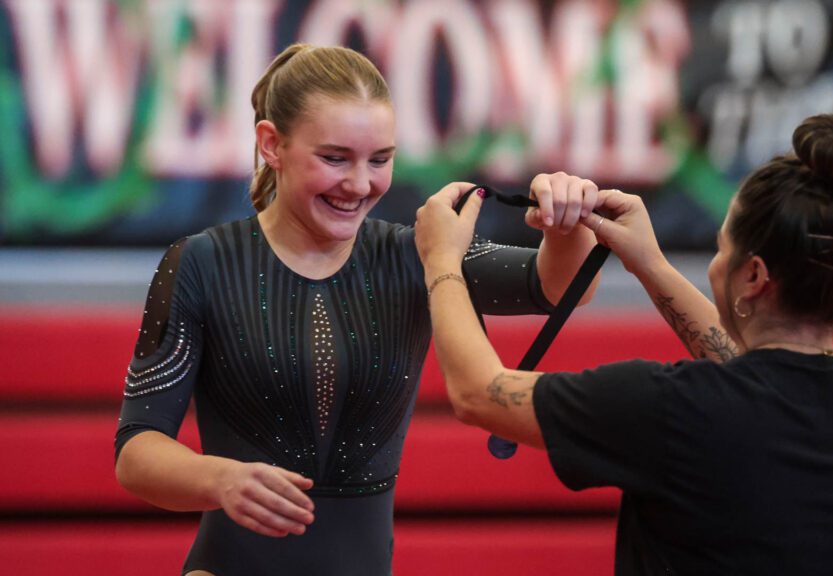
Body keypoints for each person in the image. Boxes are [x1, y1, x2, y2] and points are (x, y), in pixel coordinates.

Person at [113, 43, 603, 576]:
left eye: (380, 160)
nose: (360, 184)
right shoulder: (203, 263)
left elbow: (561, 286)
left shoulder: (418, 254)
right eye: (334, 158)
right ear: (272, 144)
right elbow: (137, 450)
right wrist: (220, 479)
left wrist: (567, 220)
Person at [416, 114, 833, 575]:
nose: (716, 264)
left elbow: (479, 393)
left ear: (753, 276)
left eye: (722, 247)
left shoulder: (674, 407)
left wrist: (441, 259)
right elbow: (764, 385)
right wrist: (650, 264)